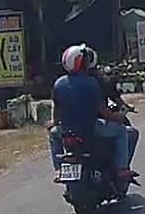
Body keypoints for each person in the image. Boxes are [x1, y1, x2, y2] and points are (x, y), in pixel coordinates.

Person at [47, 44, 137, 182]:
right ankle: (121, 169)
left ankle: (59, 168)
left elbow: (57, 111)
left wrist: (54, 123)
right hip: (91, 129)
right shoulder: (91, 83)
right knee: (121, 131)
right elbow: (104, 112)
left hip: (66, 131)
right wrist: (117, 118)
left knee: (53, 134)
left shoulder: (59, 84)